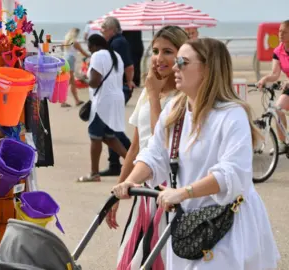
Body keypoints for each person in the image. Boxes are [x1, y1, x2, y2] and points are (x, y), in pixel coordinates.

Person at [112, 38, 280, 269]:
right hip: (188, 222)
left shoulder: (231, 115)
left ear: (207, 69)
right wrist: (130, 181)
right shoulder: (175, 110)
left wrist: (184, 192)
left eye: (183, 62)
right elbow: (155, 154)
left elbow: (233, 173)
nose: (175, 68)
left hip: (224, 223)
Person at [107, 26, 189, 269]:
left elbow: (159, 144)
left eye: (167, 51)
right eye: (155, 51)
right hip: (142, 188)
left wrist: (153, 95)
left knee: (155, 259)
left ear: (181, 56)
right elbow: (135, 147)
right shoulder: (150, 89)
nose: (159, 58)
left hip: (165, 191)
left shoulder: (182, 97)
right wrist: (117, 192)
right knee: (133, 256)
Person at [77, 34, 127, 182]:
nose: (89, 51)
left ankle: (94, 173)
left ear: (93, 46)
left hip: (103, 101)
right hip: (116, 99)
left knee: (95, 136)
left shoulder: (98, 56)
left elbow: (94, 82)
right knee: (109, 137)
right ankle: (134, 164)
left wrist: (82, 78)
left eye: (89, 47)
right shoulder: (116, 55)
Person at [99, 16, 134, 176]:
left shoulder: (118, 43)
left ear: (112, 29)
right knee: (110, 127)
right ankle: (115, 164)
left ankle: (135, 156)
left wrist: (129, 82)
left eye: (104, 28)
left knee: (112, 128)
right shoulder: (116, 42)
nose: (102, 31)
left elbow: (128, 65)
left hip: (118, 89)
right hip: (115, 89)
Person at [257, 20, 289, 153]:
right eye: (279, 31)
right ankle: (283, 143)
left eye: (284, 32)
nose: (280, 34)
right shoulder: (278, 50)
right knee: (277, 109)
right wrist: (264, 79)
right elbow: (275, 74)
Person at [62, 28, 90, 107]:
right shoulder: (75, 42)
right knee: (70, 81)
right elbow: (82, 52)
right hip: (70, 60)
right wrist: (90, 56)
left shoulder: (66, 41)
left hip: (65, 60)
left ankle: (75, 100)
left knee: (70, 81)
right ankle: (65, 101)